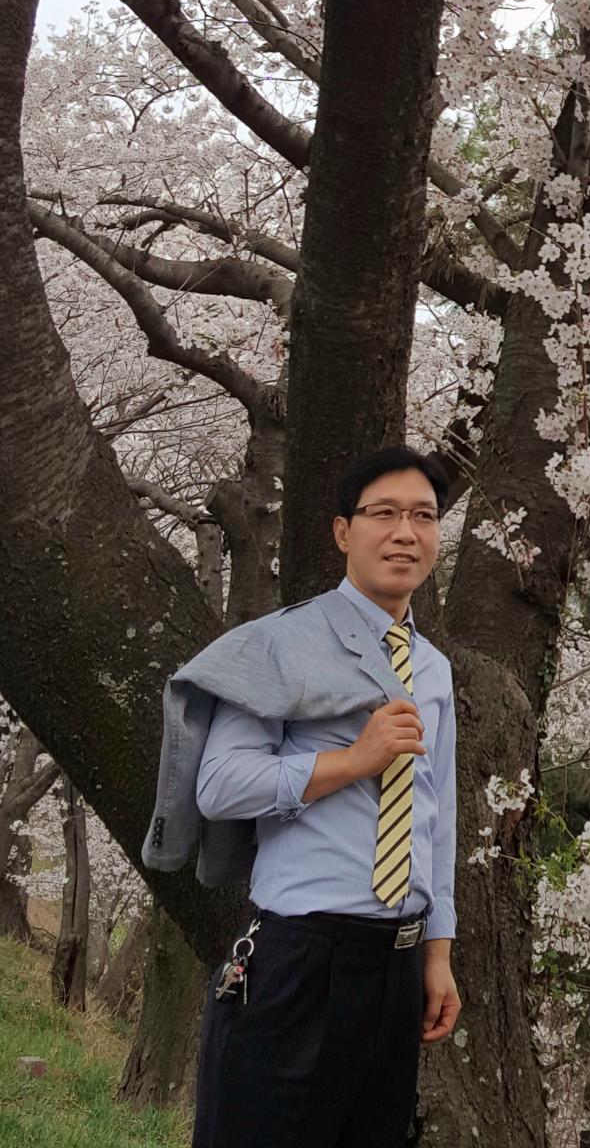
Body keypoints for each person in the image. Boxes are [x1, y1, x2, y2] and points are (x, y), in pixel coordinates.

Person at [156, 444, 460, 1147]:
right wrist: (353, 760)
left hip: (398, 966)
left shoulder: (433, 668)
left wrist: (437, 953)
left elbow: (436, 815)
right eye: (384, 514)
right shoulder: (279, 645)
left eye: (423, 516)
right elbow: (220, 785)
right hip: (300, 961)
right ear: (342, 532)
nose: (405, 533)